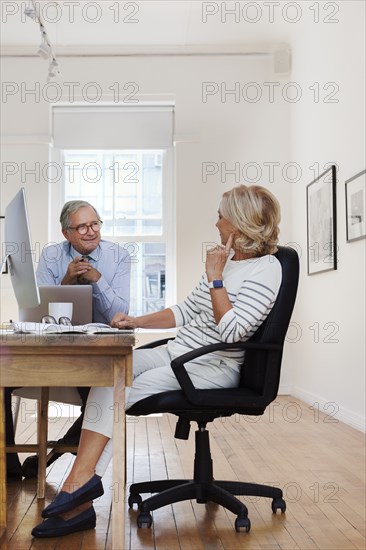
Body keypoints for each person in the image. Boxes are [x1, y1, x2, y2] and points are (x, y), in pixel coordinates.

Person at [31, 184, 282, 537]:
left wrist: (215, 277)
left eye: (221, 216)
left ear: (239, 224)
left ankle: (77, 492)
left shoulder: (265, 269)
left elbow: (233, 332)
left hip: (212, 366)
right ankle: (81, 495)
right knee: (111, 373)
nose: (217, 222)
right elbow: (185, 310)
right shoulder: (230, 261)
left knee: (121, 390)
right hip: (180, 354)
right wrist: (136, 321)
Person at [6, 200, 131, 480]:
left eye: (95, 224)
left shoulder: (119, 256)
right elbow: (38, 314)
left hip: (94, 355)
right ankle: (9, 465)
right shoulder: (52, 256)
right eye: (82, 226)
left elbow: (119, 315)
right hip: (51, 352)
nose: (91, 231)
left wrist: (98, 280)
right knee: (2, 382)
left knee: (100, 404)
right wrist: (66, 282)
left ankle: (50, 457)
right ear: (67, 234)